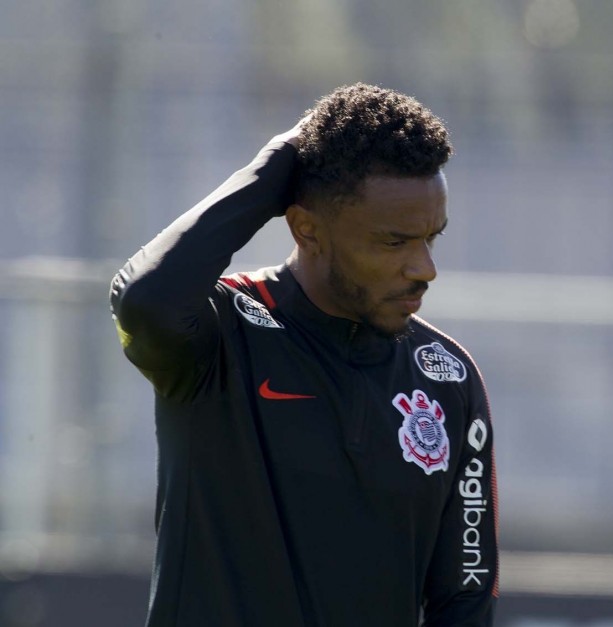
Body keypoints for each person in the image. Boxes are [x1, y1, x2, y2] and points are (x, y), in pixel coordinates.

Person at [110, 83, 498, 626]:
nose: (424, 268)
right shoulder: (222, 332)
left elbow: (465, 600)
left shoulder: (447, 377)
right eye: (394, 242)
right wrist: (275, 167)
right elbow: (144, 299)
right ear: (306, 228)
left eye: (431, 238)